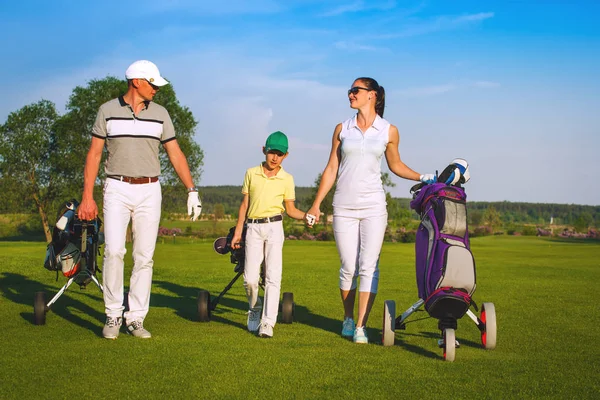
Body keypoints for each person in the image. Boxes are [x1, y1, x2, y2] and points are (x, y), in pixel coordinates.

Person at [77, 60, 202, 339]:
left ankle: (135, 318)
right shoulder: (107, 111)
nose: (157, 88)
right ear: (136, 81)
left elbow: (175, 153)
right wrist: (88, 196)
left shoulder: (160, 114)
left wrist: (191, 189)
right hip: (116, 187)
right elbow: (94, 154)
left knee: (144, 256)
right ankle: (112, 315)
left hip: (150, 189)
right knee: (114, 252)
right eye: (152, 83)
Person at [306, 77, 436, 344]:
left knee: (368, 266)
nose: (350, 94)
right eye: (350, 91)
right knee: (348, 266)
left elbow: (396, 165)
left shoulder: (389, 131)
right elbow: (331, 168)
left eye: (355, 90)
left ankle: (361, 327)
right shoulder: (342, 128)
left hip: (374, 206)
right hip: (343, 205)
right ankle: (348, 317)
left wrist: (422, 177)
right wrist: (317, 203)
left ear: (372, 95)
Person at [230, 131, 311, 338]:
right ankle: (255, 308)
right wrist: (238, 232)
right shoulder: (251, 173)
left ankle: (268, 322)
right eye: (272, 152)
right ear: (264, 150)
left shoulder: (287, 178)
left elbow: (291, 209)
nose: (275, 157)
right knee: (249, 278)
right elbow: (245, 204)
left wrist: (306, 216)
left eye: (280, 154)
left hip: (275, 227)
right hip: (253, 227)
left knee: (273, 277)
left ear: (286, 156)